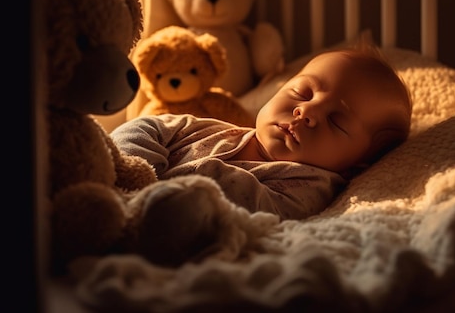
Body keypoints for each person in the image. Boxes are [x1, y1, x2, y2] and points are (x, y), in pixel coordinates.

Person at [111, 48, 412, 220]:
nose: (306, 112)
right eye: (302, 92)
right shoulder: (213, 129)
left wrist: (154, 191)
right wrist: (136, 169)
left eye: (336, 121)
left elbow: (245, 212)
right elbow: (149, 126)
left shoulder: (305, 188)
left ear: (356, 165)